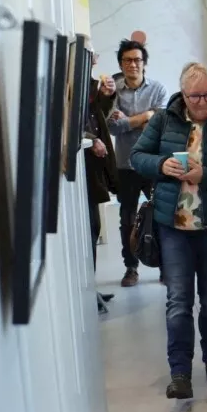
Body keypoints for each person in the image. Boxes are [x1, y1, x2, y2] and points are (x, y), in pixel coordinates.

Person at [131, 62, 207, 400]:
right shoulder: (163, 119)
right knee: (178, 300)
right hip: (173, 226)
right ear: (182, 94)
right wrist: (160, 165)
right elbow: (137, 156)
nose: (202, 102)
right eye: (194, 96)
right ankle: (180, 373)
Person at [108, 39, 168, 287]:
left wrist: (129, 121)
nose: (132, 64)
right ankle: (130, 267)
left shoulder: (158, 89)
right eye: (127, 60)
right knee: (128, 219)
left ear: (144, 63)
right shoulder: (113, 92)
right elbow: (112, 126)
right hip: (125, 165)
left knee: (163, 215)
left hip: (153, 163)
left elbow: (160, 123)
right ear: (121, 64)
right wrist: (145, 117)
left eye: (137, 60)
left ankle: (166, 265)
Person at [83, 48, 118, 313]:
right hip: (83, 172)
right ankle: (87, 290)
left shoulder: (88, 83)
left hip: (93, 171)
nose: (96, 58)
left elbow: (98, 116)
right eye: (91, 53)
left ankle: (89, 288)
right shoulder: (74, 84)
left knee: (93, 230)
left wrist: (107, 95)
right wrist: (91, 139)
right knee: (89, 230)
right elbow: (71, 121)